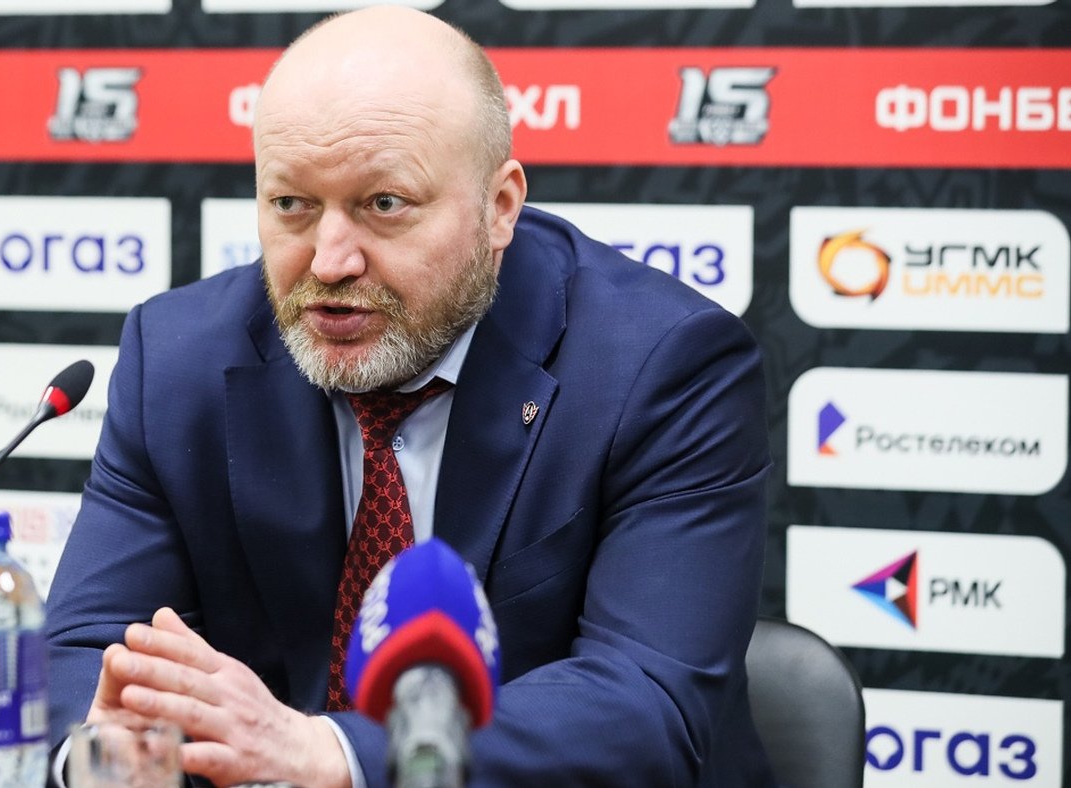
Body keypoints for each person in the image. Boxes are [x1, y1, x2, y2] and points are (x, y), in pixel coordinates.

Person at [45, 6, 776, 787]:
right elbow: (85, 649)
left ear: (499, 208)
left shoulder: (661, 366)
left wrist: (334, 755)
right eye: (291, 204)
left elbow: (646, 705)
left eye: (383, 204)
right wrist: (108, 758)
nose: (330, 261)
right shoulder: (177, 361)